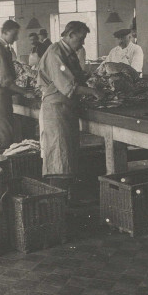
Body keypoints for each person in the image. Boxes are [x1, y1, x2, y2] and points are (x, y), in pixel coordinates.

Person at [37, 21, 105, 200]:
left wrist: (95, 77)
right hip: (56, 109)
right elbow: (68, 85)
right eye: (81, 39)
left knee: (67, 155)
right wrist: (93, 91)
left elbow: (78, 77)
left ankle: (65, 199)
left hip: (67, 108)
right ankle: (56, 203)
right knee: (59, 157)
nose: (82, 43)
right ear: (71, 35)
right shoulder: (55, 53)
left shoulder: (70, 54)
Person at [0, 20, 36, 153]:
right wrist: (25, 93)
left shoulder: (0, 47)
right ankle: (3, 161)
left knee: (1, 127)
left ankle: (1, 157)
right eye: (14, 34)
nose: (16, 38)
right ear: (5, 33)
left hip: (0, 93)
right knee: (3, 130)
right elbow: (5, 81)